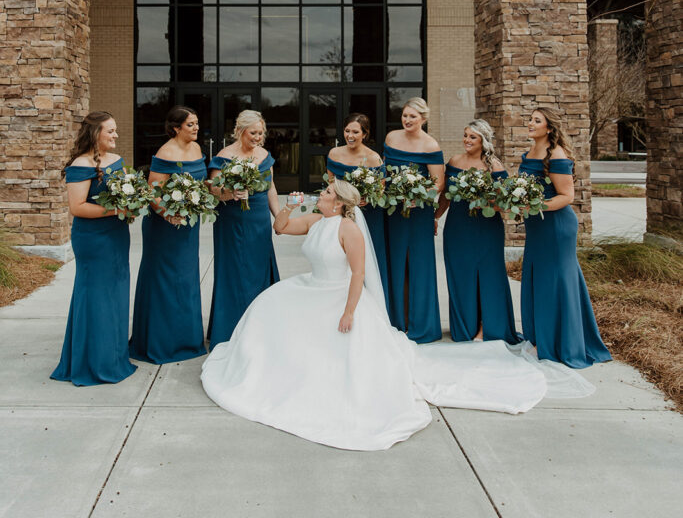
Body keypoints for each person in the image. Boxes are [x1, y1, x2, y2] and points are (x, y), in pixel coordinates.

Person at [201, 179, 571, 451]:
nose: (322, 195)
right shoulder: (316, 220)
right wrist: (290, 204)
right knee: (268, 308)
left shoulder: (349, 230)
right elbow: (281, 229)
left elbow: (358, 275)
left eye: (327, 193)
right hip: (311, 288)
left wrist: (348, 312)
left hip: (339, 296)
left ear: (341, 203)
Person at [520, 106, 612, 369]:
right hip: (537, 227)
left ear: (549, 128)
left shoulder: (557, 155)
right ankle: (541, 337)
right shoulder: (528, 153)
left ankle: (561, 342)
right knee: (538, 278)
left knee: (556, 281)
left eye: (536, 120)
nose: (530, 123)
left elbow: (566, 197)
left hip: (556, 227)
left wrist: (534, 207)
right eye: (530, 118)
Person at [51, 112, 136, 386]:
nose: (115, 135)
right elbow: (77, 207)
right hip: (93, 239)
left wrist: (130, 207)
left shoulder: (116, 161)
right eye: (110, 131)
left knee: (116, 294)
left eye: (115, 130)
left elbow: (127, 191)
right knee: (96, 296)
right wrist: (116, 209)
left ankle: (113, 357)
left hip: (117, 235)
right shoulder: (81, 164)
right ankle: (93, 362)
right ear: (95, 133)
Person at [129, 106, 207, 364]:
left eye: (196, 124)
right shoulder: (165, 152)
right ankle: (160, 343)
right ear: (176, 128)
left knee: (186, 279)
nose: (196, 128)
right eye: (190, 125)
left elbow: (200, 183)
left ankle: (186, 340)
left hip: (188, 226)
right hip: (164, 226)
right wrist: (169, 215)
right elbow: (153, 193)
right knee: (163, 280)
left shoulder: (196, 149)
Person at [437, 120, 519, 344]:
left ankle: (486, 327)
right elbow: (445, 195)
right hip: (457, 227)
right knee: (460, 273)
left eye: (472, 137)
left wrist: (485, 201)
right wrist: (434, 217)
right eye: (465, 135)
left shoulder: (495, 166)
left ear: (483, 140)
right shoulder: (454, 161)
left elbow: (506, 203)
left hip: (486, 229)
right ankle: (464, 326)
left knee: (488, 276)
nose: (467, 140)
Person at [206, 110, 280, 349]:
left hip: (258, 220)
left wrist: (278, 216)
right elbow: (213, 189)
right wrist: (229, 193)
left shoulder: (264, 155)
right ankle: (231, 327)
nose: (258, 137)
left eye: (261, 133)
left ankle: (261, 326)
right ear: (239, 131)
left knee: (258, 269)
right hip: (232, 220)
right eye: (253, 133)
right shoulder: (224, 156)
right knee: (235, 270)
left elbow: (270, 188)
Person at [383, 98, 444, 342]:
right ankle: (395, 321)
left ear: (424, 120)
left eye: (413, 117)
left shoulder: (430, 145)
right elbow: (384, 171)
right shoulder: (391, 138)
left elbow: (439, 182)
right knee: (395, 260)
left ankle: (421, 323)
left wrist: (418, 197)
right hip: (392, 211)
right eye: (405, 115)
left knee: (418, 263)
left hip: (419, 212)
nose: (407, 120)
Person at [326, 113, 389, 305]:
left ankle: (371, 306)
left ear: (365, 134)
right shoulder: (334, 154)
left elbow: (381, 189)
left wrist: (369, 198)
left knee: (369, 260)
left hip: (369, 216)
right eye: (347, 131)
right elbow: (330, 183)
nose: (350, 135)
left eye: (355, 131)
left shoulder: (373, 158)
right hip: (342, 216)